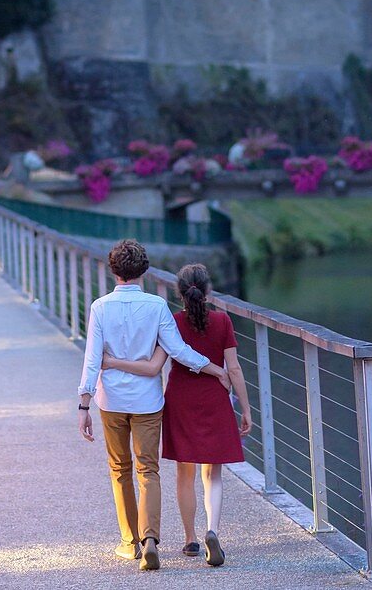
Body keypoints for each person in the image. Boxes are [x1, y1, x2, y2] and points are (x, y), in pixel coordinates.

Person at [77, 239, 231, 572]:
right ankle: (150, 540)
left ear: (113, 270)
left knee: (120, 470)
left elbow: (92, 358)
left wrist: (83, 403)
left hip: (111, 400)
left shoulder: (100, 307)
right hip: (147, 401)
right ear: (144, 271)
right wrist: (215, 368)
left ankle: (129, 543)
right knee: (149, 470)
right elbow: (178, 351)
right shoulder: (157, 306)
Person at [103, 263, 252, 568]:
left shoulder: (172, 322)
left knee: (185, 473)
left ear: (180, 293)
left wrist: (114, 362)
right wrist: (246, 408)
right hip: (214, 398)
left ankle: (191, 539)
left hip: (181, 399)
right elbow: (233, 368)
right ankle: (213, 531)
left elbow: (159, 361)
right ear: (208, 291)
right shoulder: (222, 321)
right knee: (213, 474)